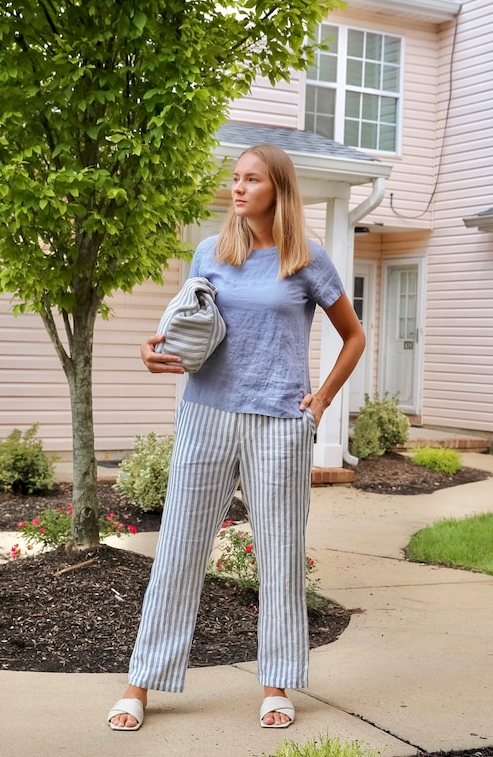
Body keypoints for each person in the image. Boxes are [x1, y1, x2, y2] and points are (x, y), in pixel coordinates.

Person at [107, 143, 365, 732]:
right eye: (236, 178)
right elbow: (186, 325)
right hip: (206, 415)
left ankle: (275, 685)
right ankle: (140, 683)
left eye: (252, 179)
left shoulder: (307, 259)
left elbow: (353, 336)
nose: (238, 187)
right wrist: (153, 350)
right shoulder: (210, 251)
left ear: (278, 188)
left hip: (279, 421)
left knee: (277, 554)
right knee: (178, 548)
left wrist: (320, 401)